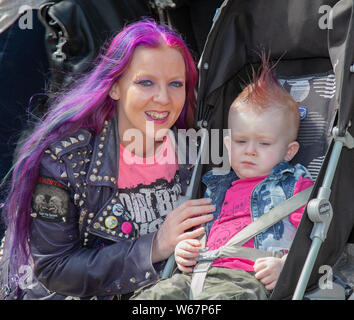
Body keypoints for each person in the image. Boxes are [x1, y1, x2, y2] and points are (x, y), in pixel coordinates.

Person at [0, 19, 216, 300]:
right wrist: (154, 247)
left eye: (176, 83)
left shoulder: (200, 153)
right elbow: (54, 268)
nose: (164, 98)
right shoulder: (65, 159)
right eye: (146, 82)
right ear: (114, 87)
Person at [132, 58, 314, 300]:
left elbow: (312, 239)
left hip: (246, 280)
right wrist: (185, 251)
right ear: (228, 144)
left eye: (264, 143)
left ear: (289, 151)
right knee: (151, 297)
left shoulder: (294, 185)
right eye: (241, 142)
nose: (250, 150)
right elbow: (199, 234)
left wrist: (288, 266)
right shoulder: (217, 186)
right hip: (199, 274)